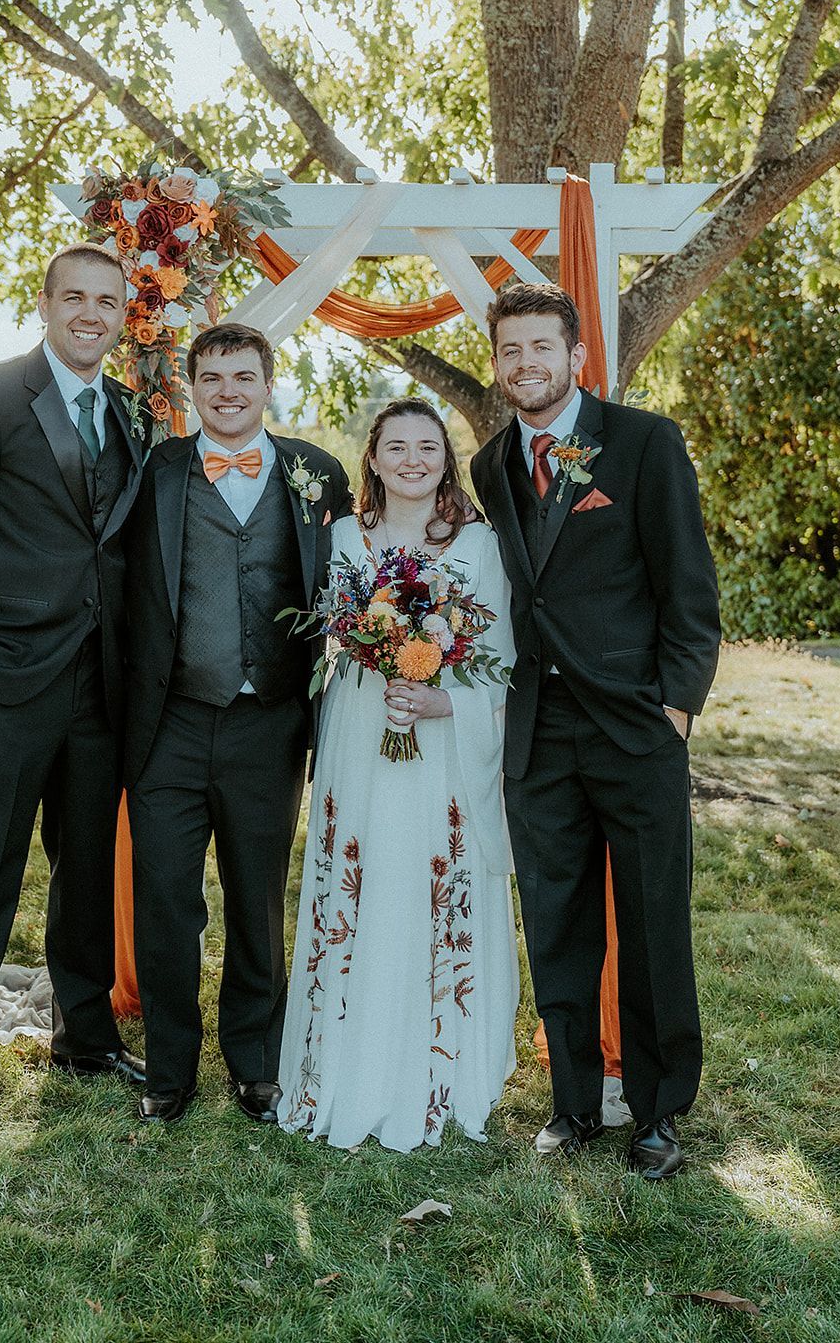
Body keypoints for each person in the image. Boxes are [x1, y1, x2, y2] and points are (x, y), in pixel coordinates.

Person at [471, 282, 720, 1180]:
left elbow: (688, 588)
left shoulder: (643, 442)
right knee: (556, 921)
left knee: (653, 923)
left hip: (635, 727)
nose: (525, 364)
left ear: (575, 355)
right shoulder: (491, 464)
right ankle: (574, 1102)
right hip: (537, 737)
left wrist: (676, 707)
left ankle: (657, 1110)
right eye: (509, 351)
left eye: (541, 347)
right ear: (496, 364)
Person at [0, 242, 150, 1143]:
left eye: (107, 301)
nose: (91, 313)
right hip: (7, 681)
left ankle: (83, 1038)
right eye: (75, 297)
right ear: (45, 303)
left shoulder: (127, 409)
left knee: (85, 870)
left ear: (124, 314)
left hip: (100, 685)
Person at [122, 322, 352, 1126]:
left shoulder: (317, 475)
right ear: (191, 385)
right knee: (165, 900)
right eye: (212, 377)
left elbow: (350, 592)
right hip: (169, 723)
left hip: (271, 726)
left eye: (243, 376)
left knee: (257, 898)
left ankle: (255, 1060)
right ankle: (169, 1069)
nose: (227, 391)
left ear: (267, 382)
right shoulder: (156, 471)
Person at [278, 401, 518, 1152]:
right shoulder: (343, 536)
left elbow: (502, 657)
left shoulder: (478, 546)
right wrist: (380, 657)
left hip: (441, 745)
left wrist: (443, 699)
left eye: (427, 447)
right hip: (359, 732)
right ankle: (347, 1062)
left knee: (428, 878)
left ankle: (438, 1070)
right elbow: (331, 637)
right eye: (395, 448)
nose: (412, 459)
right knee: (366, 875)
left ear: (446, 461)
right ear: (372, 461)